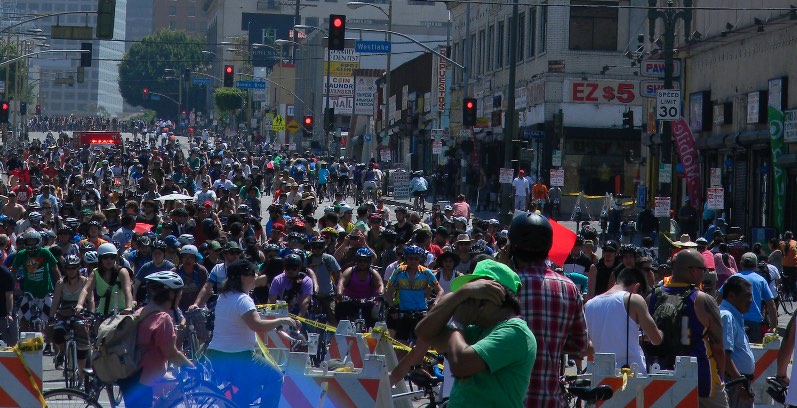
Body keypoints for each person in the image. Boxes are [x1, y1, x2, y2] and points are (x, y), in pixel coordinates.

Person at [415, 259, 536, 408]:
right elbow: (424, 333)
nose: (468, 303)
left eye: (473, 297)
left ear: (494, 296)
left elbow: (461, 364)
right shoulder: (478, 329)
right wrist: (458, 296)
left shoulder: (515, 331)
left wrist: (458, 322)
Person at [499, 212, 587, 407]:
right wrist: (550, 343)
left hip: (508, 400)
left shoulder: (503, 286)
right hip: (550, 401)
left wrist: (501, 268)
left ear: (513, 248)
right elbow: (580, 345)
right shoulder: (569, 287)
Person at [207, 260, 297, 408]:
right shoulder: (243, 299)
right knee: (275, 377)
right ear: (243, 277)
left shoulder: (223, 297)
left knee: (248, 385)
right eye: (253, 273)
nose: (256, 276)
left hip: (216, 354)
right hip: (239, 355)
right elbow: (257, 325)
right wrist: (282, 320)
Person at [645, 249, 728, 407]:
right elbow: (718, 347)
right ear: (693, 271)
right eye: (704, 270)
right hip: (700, 377)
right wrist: (721, 376)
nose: (704, 274)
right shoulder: (704, 300)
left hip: (660, 373)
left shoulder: (653, 297)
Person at [118, 271, 194, 408]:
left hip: (131, 374)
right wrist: (192, 367)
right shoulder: (162, 319)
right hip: (143, 380)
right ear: (172, 294)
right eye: (180, 293)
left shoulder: (142, 311)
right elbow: (171, 353)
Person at [585, 267, 662, 375]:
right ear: (637, 286)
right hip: (632, 374)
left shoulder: (589, 305)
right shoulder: (633, 300)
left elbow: (588, 346)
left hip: (601, 374)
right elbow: (656, 339)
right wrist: (661, 333)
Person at [385, 245, 444, 342]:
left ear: (420, 259)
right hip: (403, 313)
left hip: (421, 313)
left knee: (420, 345)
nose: (413, 261)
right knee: (401, 345)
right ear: (406, 258)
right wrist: (392, 307)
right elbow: (388, 291)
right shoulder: (399, 271)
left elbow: (440, 291)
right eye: (410, 258)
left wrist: (435, 304)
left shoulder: (426, 272)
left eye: (416, 259)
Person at [720, 252, 776, 343]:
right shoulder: (761, 280)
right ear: (756, 265)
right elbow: (771, 305)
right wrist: (773, 326)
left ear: (741, 264)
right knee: (755, 353)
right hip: (754, 323)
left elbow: (718, 299)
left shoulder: (733, 279)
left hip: (733, 321)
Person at [49, 255, 92, 372]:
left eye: (74, 268)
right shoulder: (60, 283)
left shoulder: (84, 281)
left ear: (78, 268)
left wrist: (91, 314)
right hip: (64, 313)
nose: (71, 270)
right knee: (57, 333)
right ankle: (62, 353)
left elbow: (91, 300)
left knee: (82, 332)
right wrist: (51, 316)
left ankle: (82, 370)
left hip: (80, 313)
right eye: (68, 268)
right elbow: (55, 302)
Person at [718, 276, 755, 408]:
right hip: (734, 383)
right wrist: (740, 384)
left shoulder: (735, 315)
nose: (751, 301)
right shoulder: (727, 316)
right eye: (747, 296)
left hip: (739, 381)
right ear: (732, 296)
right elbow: (725, 355)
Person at [75, 243, 133, 316]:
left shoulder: (122, 271)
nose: (109, 260)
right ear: (100, 258)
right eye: (105, 257)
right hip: (102, 313)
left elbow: (127, 290)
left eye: (112, 257)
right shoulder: (95, 272)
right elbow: (86, 290)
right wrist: (80, 304)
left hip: (122, 313)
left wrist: (128, 308)